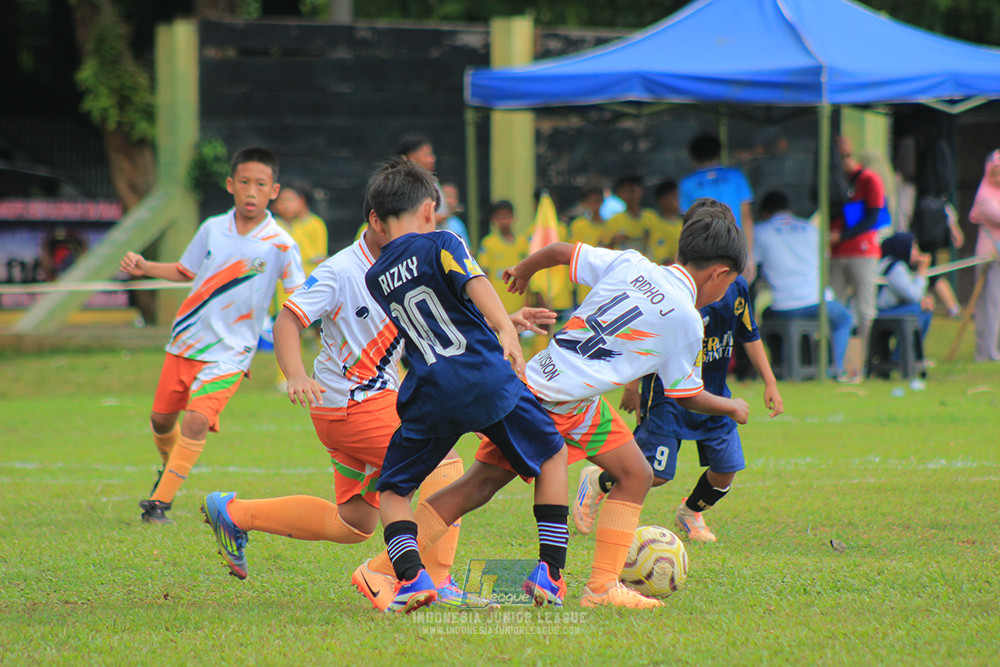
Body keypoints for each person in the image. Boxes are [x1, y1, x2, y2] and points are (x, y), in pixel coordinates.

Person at [199, 196, 555, 606]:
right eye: (416, 217)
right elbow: (287, 320)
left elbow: (438, 319)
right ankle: (434, 579)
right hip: (353, 404)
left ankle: (236, 513)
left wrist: (501, 323)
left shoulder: (410, 259)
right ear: (378, 221)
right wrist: (295, 374)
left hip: (367, 401)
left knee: (354, 522)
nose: (423, 226)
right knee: (445, 466)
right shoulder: (341, 270)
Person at [475, 204, 749, 608]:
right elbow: (685, 394)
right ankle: (394, 568)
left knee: (636, 473)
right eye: (727, 285)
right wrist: (730, 407)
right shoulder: (688, 320)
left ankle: (602, 587)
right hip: (557, 401)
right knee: (478, 485)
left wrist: (524, 270)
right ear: (720, 275)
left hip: (549, 383)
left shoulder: (632, 263)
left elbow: (558, 251)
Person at [362, 157, 570, 614]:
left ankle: (413, 577)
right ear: (430, 210)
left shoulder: (375, 277)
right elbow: (475, 287)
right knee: (553, 454)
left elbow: (435, 319)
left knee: (394, 492)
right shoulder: (444, 241)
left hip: (428, 392)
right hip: (483, 379)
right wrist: (507, 330)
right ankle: (551, 573)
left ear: (377, 220)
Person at [574, 198, 783, 545]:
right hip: (668, 396)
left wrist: (770, 382)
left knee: (726, 469)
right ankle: (598, 480)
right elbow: (641, 336)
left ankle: (690, 513)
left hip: (712, 395)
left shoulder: (737, 288)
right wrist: (632, 387)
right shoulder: (670, 287)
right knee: (653, 474)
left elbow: (750, 333)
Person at [119, 147, 305, 524]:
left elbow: (301, 293)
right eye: (245, 183)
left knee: (196, 420)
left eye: (261, 184)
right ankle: (167, 471)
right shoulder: (211, 229)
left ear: (274, 190)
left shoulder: (282, 243)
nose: (251, 191)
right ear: (230, 185)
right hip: (186, 341)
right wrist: (145, 267)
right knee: (160, 421)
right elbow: (185, 271)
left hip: (232, 352)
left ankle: (159, 504)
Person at [753, 190, 855, 379]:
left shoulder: (760, 231)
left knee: (764, 316)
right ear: (788, 209)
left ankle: (780, 365)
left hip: (784, 306)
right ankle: (835, 368)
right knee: (844, 319)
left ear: (765, 212)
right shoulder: (810, 229)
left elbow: (752, 267)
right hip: (819, 302)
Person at [829, 136, 887, 378]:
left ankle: (864, 363)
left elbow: (874, 217)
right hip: (837, 253)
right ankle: (837, 365)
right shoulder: (834, 180)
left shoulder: (869, 179)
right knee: (836, 307)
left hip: (862, 251)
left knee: (865, 310)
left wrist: (842, 234)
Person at [271, 181, 329, 388]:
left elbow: (317, 257)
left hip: (311, 286)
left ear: (302, 202)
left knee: (322, 331)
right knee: (285, 330)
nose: (285, 206)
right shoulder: (273, 226)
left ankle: (326, 374)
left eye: (290, 200)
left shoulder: (315, 224)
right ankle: (284, 377)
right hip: (284, 288)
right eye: (281, 201)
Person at [679, 133, 756, 281]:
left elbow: (686, 224)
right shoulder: (736, 176)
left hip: (703, 250)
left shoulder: (686, 184)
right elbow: (747, 217)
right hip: (735, 244)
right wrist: (750, 256)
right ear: (719, 152)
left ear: (693, 156)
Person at [969, 149, 1000, 362]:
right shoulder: (985, 196)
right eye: (995, 173)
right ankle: (986, 351)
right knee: (990, 303)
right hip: (990, 254)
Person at [876, 232, 934, 347]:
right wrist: (922, 271)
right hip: (878, 312)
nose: (917, 252)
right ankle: (900, 357)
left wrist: (924, 300)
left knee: (926, 312)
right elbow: (914, 296)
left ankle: (912, 355)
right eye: (914, 248)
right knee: (917, 310)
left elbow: (913, 293)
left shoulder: (899, 266)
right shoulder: (896, 268)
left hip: (888, 309)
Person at [477, 200, 529, 314]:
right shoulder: (488, 243)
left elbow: (528, 273)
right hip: (497, 301)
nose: (504, 221)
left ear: (513, 218)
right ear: (493, 220)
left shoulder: (523, 243)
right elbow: (484, 273)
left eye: (507, 217)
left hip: (518, 300)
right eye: (500, 217)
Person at [568, 184, 613, 305]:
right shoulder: (578, 226)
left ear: (602, 202)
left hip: (607, 281)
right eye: (590, 202)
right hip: (586, 284)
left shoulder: (610, 226)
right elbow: (574, 254)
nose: (594, 206)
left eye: (597, 201)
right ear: (585, 204)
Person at [397, 134, 449, 226]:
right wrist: (436, 217)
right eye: (427, 155)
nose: (433, 159)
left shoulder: (430, 181)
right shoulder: (403, 184)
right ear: (410, 157)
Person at [605, 174, 656, 254]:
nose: (629, 196)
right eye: (625, 192)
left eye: (632, 191)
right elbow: (603, 249)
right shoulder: (613, 221)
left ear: (641, 191)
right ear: (619, 194)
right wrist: (613, 240)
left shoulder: (652, 218)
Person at [649, 179, 683, 265]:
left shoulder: (681, 223)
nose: (677, 201)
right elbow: (663, 260)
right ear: (662, 200)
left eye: (677, 197)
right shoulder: (656, 226)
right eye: (673, 197)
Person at [439, 182, 472, 248]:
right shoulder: (431, 221)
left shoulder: (457, 224)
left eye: (453, 197)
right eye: (447, 196)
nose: (450, 201)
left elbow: (466, 250)